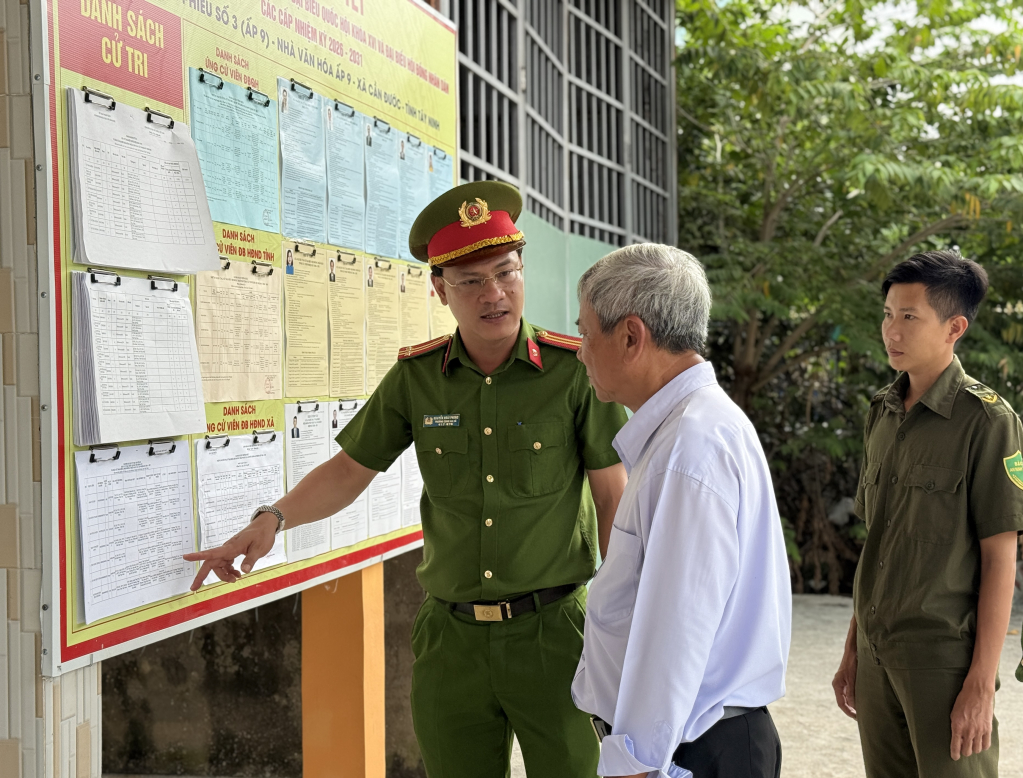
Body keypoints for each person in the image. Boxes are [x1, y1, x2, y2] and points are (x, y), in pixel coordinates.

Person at [183, 180, 629, 778]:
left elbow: (610, 492)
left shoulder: (573, 372)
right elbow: (349, 468)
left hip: (557, 635)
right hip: (452, 643)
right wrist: (274, 517)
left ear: (522, 270)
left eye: (506, 271)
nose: (494, 293)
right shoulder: (417, 378)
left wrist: (623, 614)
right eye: (471, 281)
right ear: (441, 290)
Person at [571, 244, 792, 778]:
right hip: (694, 743)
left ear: (630, 337)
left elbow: (676, 631)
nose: (579, 351)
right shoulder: (686, 430)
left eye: (585, 332)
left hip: (690, 751)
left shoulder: (690, 448)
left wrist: (637, 764)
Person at [832, 250, 1023, 778]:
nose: (892, 330)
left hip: (942, 660)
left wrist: (982, 682)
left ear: (954, 327)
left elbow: (1000, 558)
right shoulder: (883, 411)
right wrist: (853, 647)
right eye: (888, 314)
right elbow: (877, 543)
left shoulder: (987, 421)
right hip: (876, 652)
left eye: (909, 317)